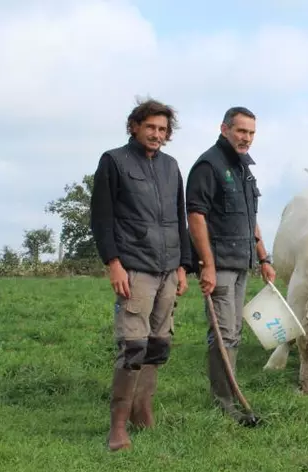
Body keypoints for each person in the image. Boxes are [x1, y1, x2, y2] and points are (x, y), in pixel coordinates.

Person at [90, 98, 191, 451]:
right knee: (134, 346)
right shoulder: (114, 161)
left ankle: (142, 409)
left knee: (159, 345)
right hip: (134, 267)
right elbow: (101, 218)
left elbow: (179, 218)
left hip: (168, 267)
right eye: (150, 127)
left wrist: (183, 265)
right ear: (134, 126)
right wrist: (113, 263)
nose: (157, 134)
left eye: (163, 129)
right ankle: (117, 428)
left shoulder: (171, 166)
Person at [185, 106, 275, 427]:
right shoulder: (209, 165)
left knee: (234, 332)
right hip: (220, 262)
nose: (246, 138)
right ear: (224, 129)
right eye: (240, 131)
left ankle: (230, 395)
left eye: (251, 133)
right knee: (223, 333)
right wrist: (206, 265)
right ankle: (224, 403)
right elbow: (195, 216)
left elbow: (250, 219)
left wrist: (264, 258)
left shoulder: (243, 169)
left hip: (242, 263)